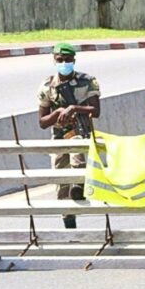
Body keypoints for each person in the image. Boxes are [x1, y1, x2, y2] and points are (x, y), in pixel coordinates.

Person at [37, 43, 101, 229]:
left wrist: (74, 109)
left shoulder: (87, 81)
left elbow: (95, 110)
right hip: (59, 138)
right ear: (54, 60)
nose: (64, 63)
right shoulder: (47, 86)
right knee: (61, 185)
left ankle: (79, 187)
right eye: (60, 60)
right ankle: (69, 227)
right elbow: (42, 122)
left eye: (67, 60)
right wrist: (58, 114)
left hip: (80, 132)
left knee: (78, 159)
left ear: (74, 60)